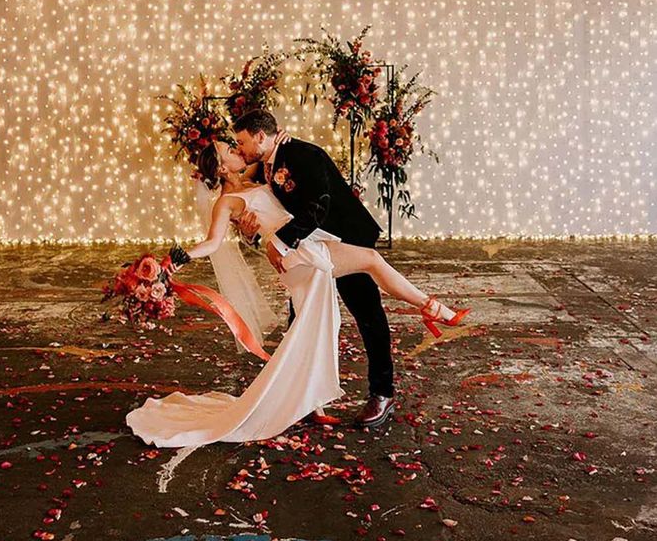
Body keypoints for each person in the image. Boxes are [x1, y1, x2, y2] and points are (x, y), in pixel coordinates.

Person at [125, 111, 469, 449]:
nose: (237, 148)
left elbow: (313, 203)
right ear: (222, 167)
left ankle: (364, 395)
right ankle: (431, 311)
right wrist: (184, 257)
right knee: (328, 309)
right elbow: (229, 235)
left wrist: (274, 234)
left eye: (239, 142)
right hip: (304, 251)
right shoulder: (246, 183)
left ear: (261, 137)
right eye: (232, 148)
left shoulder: (286, 158)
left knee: (339, 321)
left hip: (335, 236)